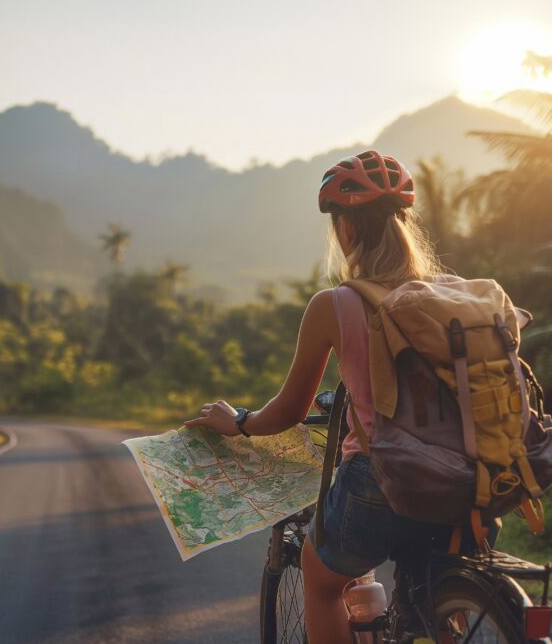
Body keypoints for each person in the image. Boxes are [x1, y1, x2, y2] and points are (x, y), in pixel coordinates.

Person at [185, 150, 449, 644]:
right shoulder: (449, 296)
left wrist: (239, 420)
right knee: (433, 590)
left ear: (346, 228)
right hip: (469, 477)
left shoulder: (335, 305)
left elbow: (287, 412)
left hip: (383, 481)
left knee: (320, 575)